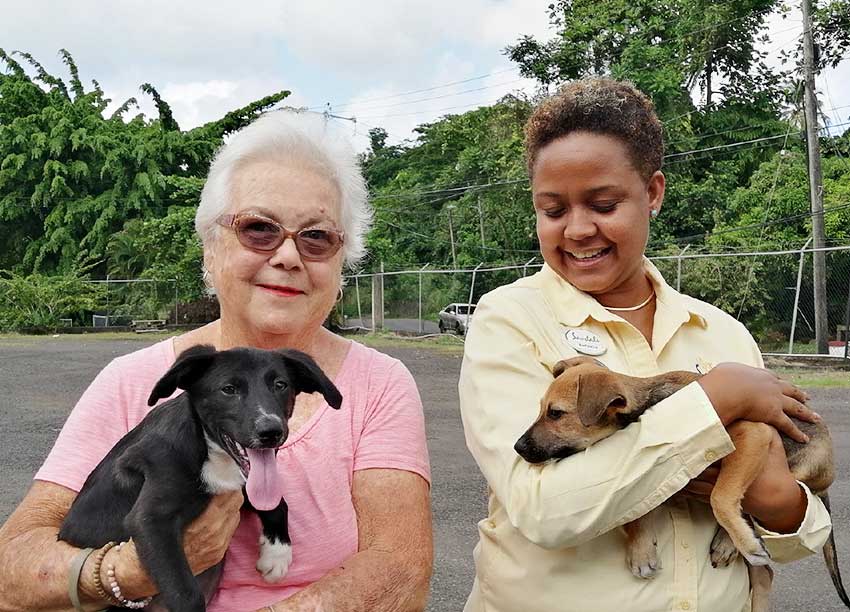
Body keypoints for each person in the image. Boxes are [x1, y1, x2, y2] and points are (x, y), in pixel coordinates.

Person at [0, 111, 433, 611]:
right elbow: (12, 569)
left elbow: (400, 575)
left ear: (342, 263)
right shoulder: (131, 382)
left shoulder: (378, 384)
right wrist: (125, 572)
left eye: (316, 237)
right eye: (258, 229)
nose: (289, 257)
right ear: (210, 248)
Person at [458, 78, 832, 612]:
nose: (578, 229)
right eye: (553, 210)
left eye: (604, 204)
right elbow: (542, 511)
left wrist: (775, 498)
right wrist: (714, 405)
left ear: (653, 193)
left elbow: (796, 536)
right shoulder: (510, 319)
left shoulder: (720, 331)